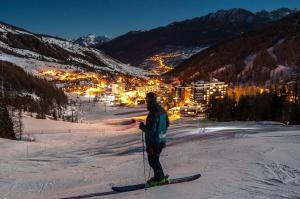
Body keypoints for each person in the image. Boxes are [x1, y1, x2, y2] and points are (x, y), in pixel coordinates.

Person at [139, 92, 170, 186]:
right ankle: (159, 176)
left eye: (146, 100)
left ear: (148, 101)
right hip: (161, 139)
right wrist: (161, 131)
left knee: (153, 161)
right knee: (155, 160)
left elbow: (150, 130)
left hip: (153, 142)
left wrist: (142, 127)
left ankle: (160, 179)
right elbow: (167, 123)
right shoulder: (162, 110)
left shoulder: (153, 113)